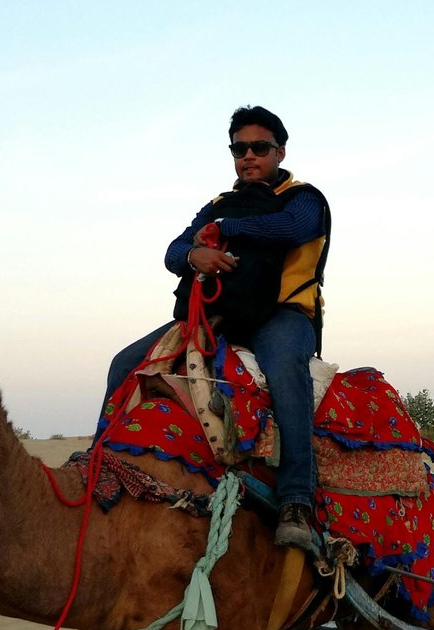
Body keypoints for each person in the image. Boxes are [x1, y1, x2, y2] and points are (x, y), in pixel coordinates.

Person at [103, 105, 329, 553]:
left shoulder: (305, 198)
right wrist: (196, 256)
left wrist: (223, 229)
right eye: (239, 148)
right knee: (126, 363)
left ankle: (296, 501)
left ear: (279, 151)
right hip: (214, 315)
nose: (248, 156)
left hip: (282, 315)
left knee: (285, 366)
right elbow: (174, 249)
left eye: (259, 147)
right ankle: (101, 465)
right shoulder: (218, 203)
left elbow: (292, 229)